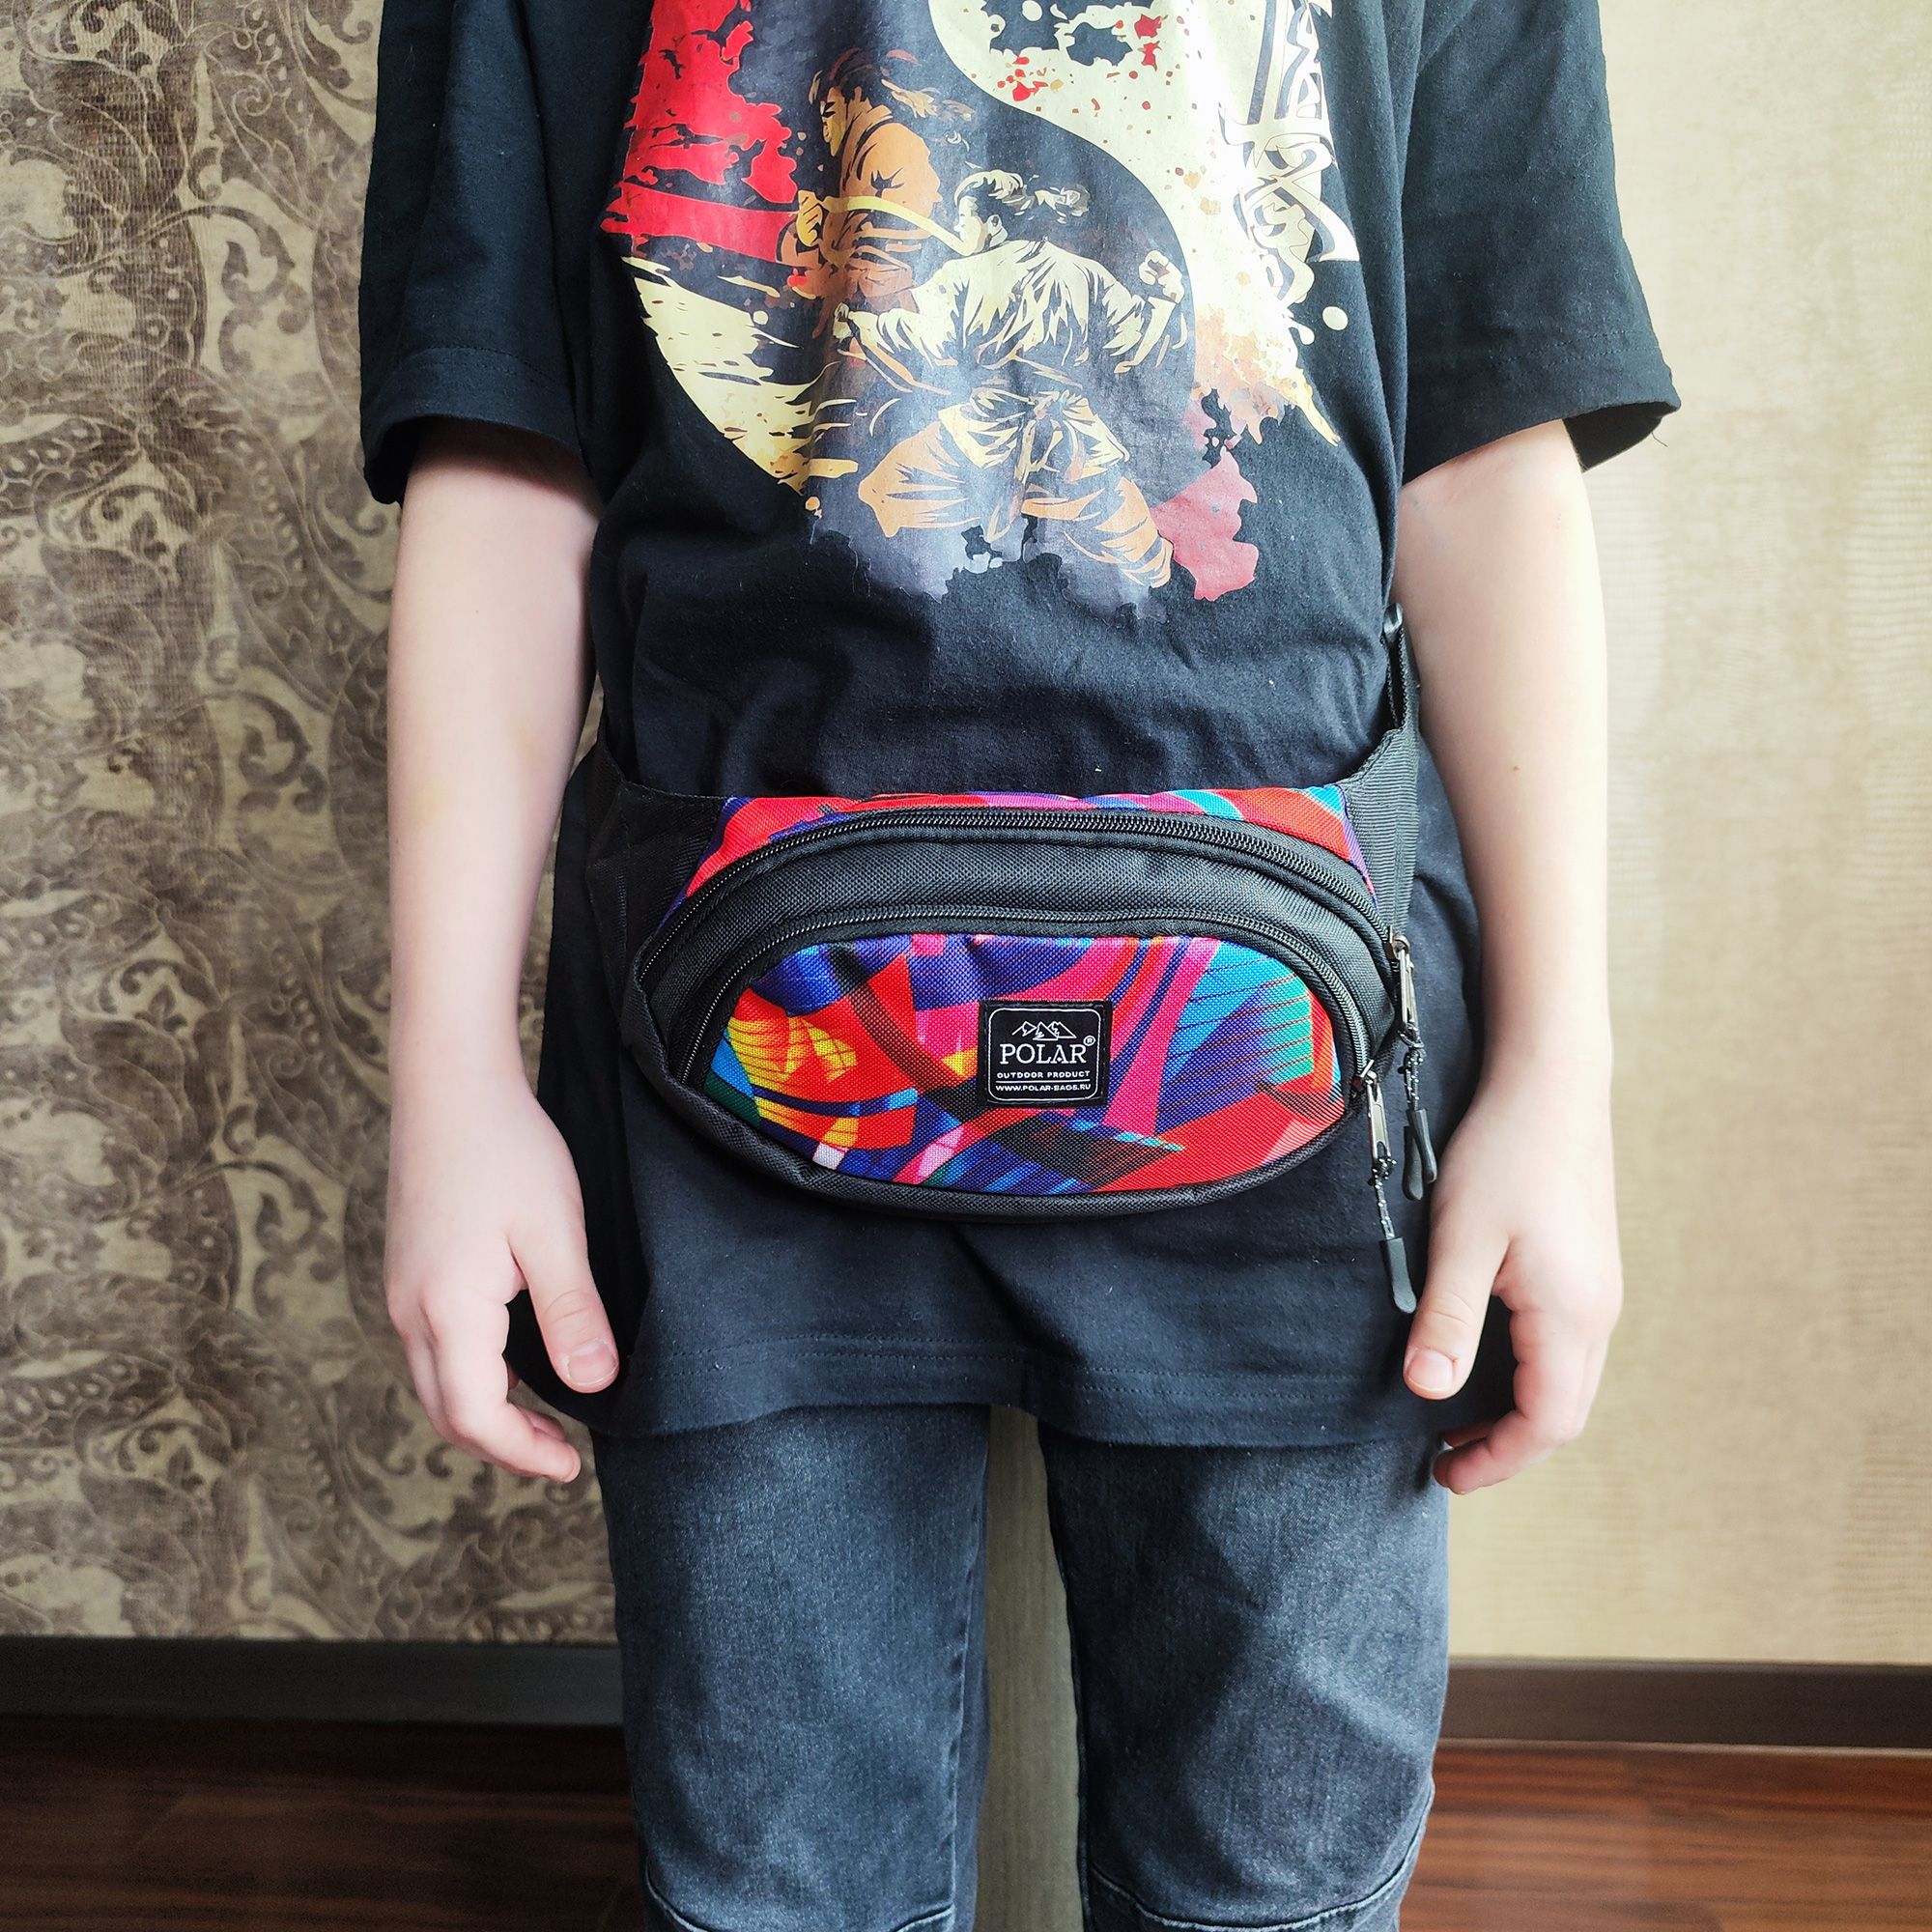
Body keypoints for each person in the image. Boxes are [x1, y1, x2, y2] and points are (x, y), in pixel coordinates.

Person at [360, 1, 1677, 1926]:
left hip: (1301, 1063)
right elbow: (505, 454)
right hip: (721, 1065)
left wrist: (1560, 1081)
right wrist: (452, 1087)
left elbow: (1486, 448)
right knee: (779, 1893)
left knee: (1272, 1891)